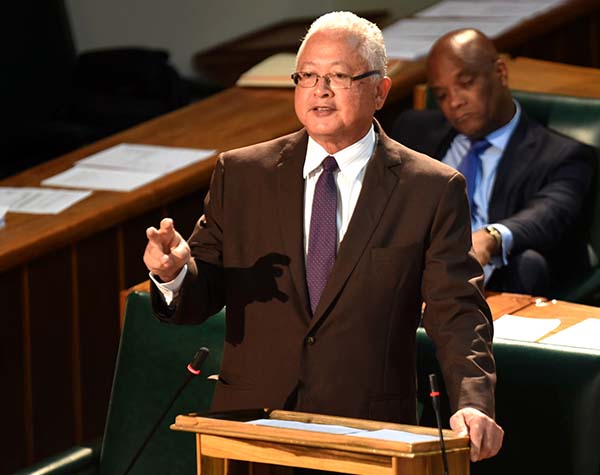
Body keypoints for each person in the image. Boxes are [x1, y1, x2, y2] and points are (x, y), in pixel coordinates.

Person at [143, 12, 502, 463]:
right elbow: (201, 295)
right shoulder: (241, 174)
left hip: (367, 434)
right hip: (251, 431)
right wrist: (175, 274)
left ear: (380, 91)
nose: (320, 90)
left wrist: (472, 401)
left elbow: (458, 310)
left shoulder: (430, 189)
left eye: (339, 76)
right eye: (308, 76)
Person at [393, 29, 594, 296]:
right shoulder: (413, 132)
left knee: (529, 265)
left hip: (491, 288)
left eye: (465, 83)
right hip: (409, 285)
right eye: (441, 95)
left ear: (500, 72)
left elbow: (548, 214)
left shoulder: (561, 156)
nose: (455, 102)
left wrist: (491, 237)